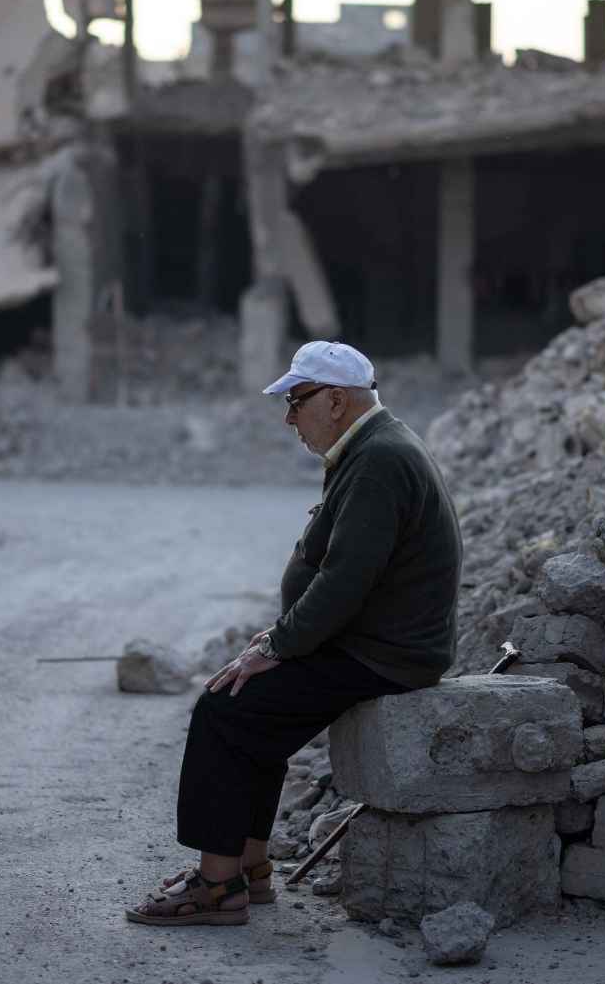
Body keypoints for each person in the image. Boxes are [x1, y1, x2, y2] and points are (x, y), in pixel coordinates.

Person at [126, 341, 464, 927]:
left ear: (335, 400)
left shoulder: (379, 459)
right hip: (374, 640)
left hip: (385, 652)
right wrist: (278, 640)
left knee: (224, 708)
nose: (289, 417)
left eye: (295, 400)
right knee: (252, 714)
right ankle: (249, 870)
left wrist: (279, 646)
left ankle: (216, 887)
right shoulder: (372, 448)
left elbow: (345, 579)